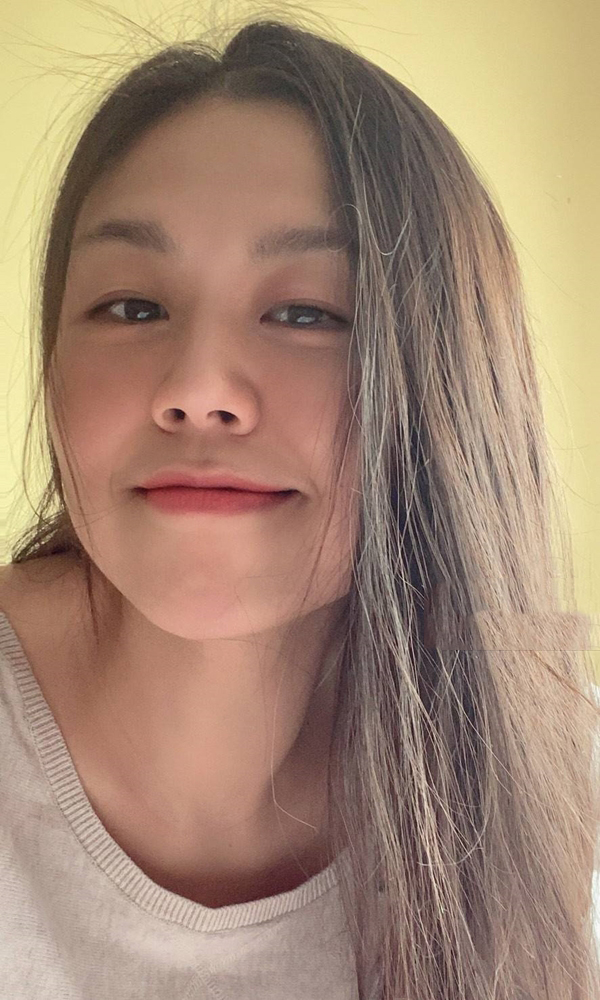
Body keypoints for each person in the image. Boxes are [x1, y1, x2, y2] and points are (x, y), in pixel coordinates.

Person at [0, 10, 598, 1000]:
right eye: (132, 307)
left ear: (450, 387)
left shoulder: (561, 777)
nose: (198, 388)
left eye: (307, 313)